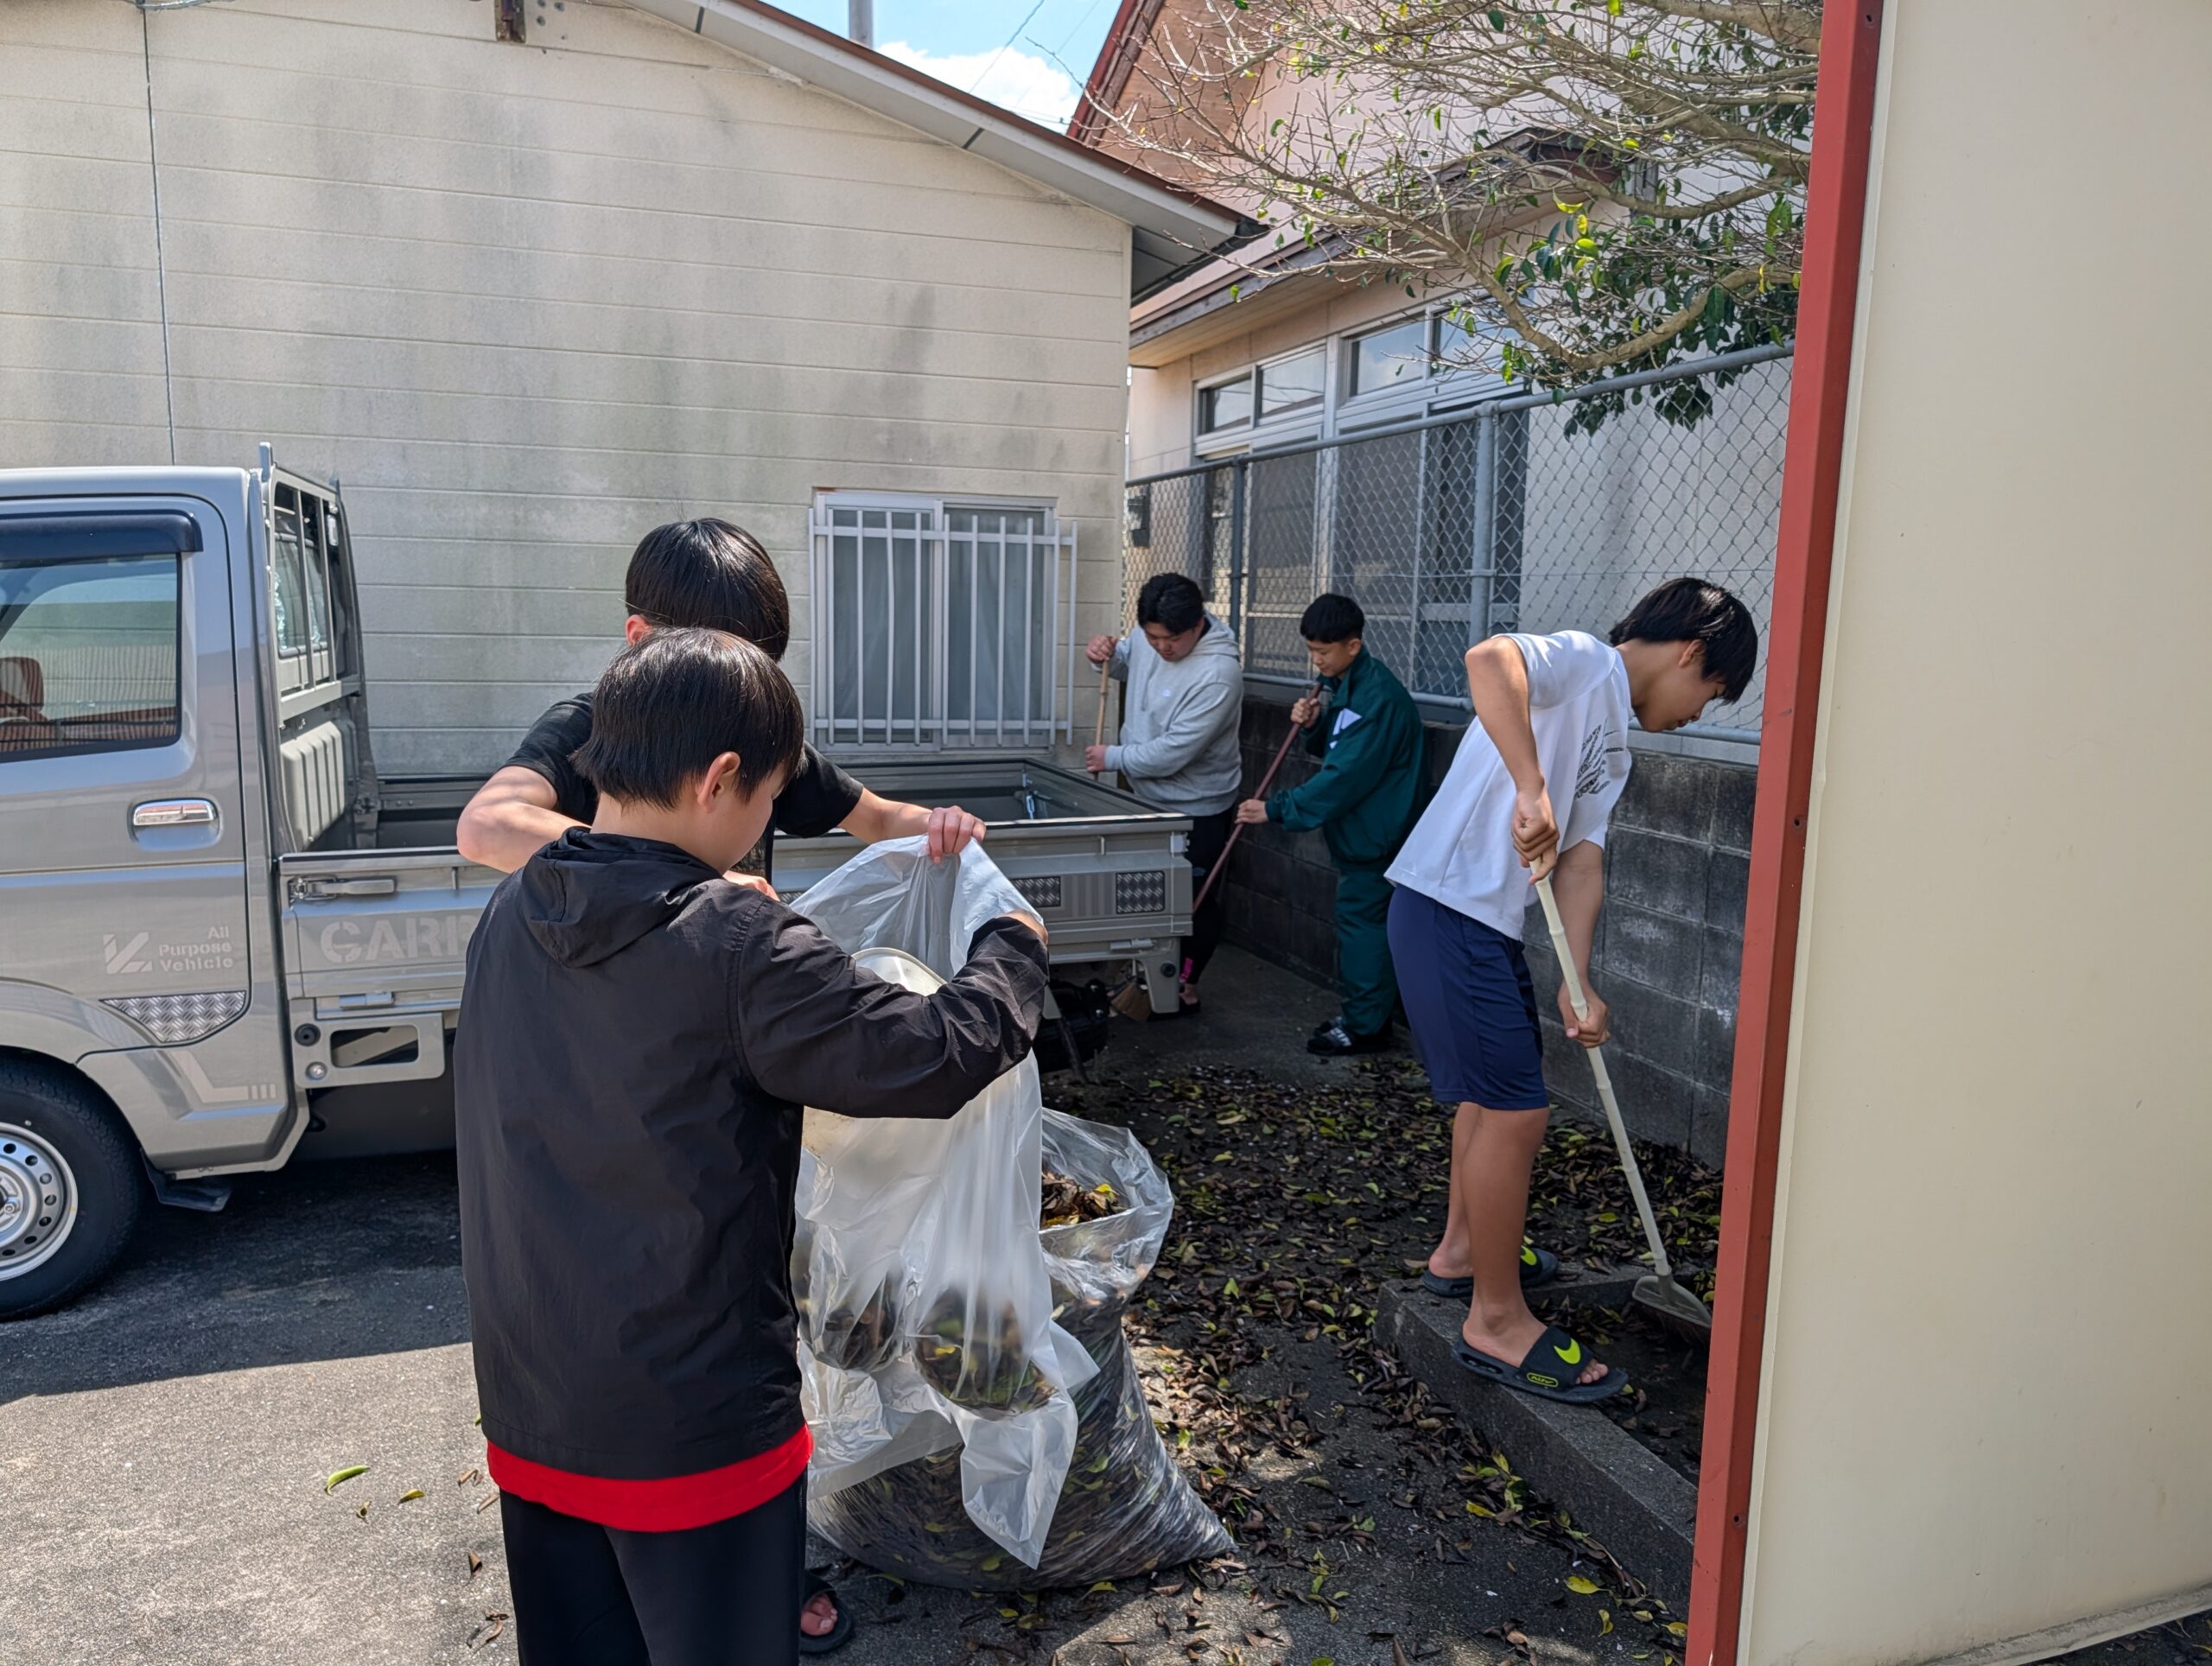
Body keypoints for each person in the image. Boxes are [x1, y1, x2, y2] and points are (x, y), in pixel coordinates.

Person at [454, 628, 1048, 1666]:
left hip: (534, 1403)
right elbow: (934, 1053)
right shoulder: (735, 941)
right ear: (719, 778)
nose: (767, 819)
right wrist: (1013, 944)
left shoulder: (513, 909)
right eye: (771, 795)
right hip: (694, 1429)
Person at [1387, 577, 1758, 1404]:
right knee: (1516, 1111)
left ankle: (1461, 1252)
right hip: (1448, 906)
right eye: (1713, 691)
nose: (1702, 712)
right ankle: (1496, 1319)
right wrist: (1531, 785)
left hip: (1478, 921)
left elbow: (1582, 861)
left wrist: (1577, 982)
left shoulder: (1614, 744)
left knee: (1492, 1099)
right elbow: (1490, 660)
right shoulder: (1589, 664)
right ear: (1692, 653)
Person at [458, 518, 987, 894]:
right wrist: (692, 879)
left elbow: (878, 817)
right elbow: (486, 825)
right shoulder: (587, 727)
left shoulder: (757, 733)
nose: (739, 688)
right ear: (641, 639)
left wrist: (943, 825)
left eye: (757, 668)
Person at [1234, 595, 1426, 1056]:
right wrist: (1313, 725)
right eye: (1311, 650)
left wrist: (1277, 809)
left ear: (1353, 645)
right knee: (1363, 926)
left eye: (1323, 651)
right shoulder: (1349, 687)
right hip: (1366, 830)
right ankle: (1365, 1015)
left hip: (1377, 835)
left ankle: (1365, 1027)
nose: (1316, 660)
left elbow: (1345, 775)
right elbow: (1338, 747)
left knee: (1364, 927)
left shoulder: (1377, 699)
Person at [1084, 572, 1243, 1015]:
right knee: (1148, 895)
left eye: (1171, 639)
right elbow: (1123, 664)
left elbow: (1175, 752)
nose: (1161, 647)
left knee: (1191, 900)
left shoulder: (1218, 674)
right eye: (1152, 637)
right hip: (1145, 795)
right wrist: (1104, 655)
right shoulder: (1147, 636)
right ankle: (1146, 981)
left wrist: (1113, 757)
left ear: (1198, 624)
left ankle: (1186, 986)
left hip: (1197, 805)